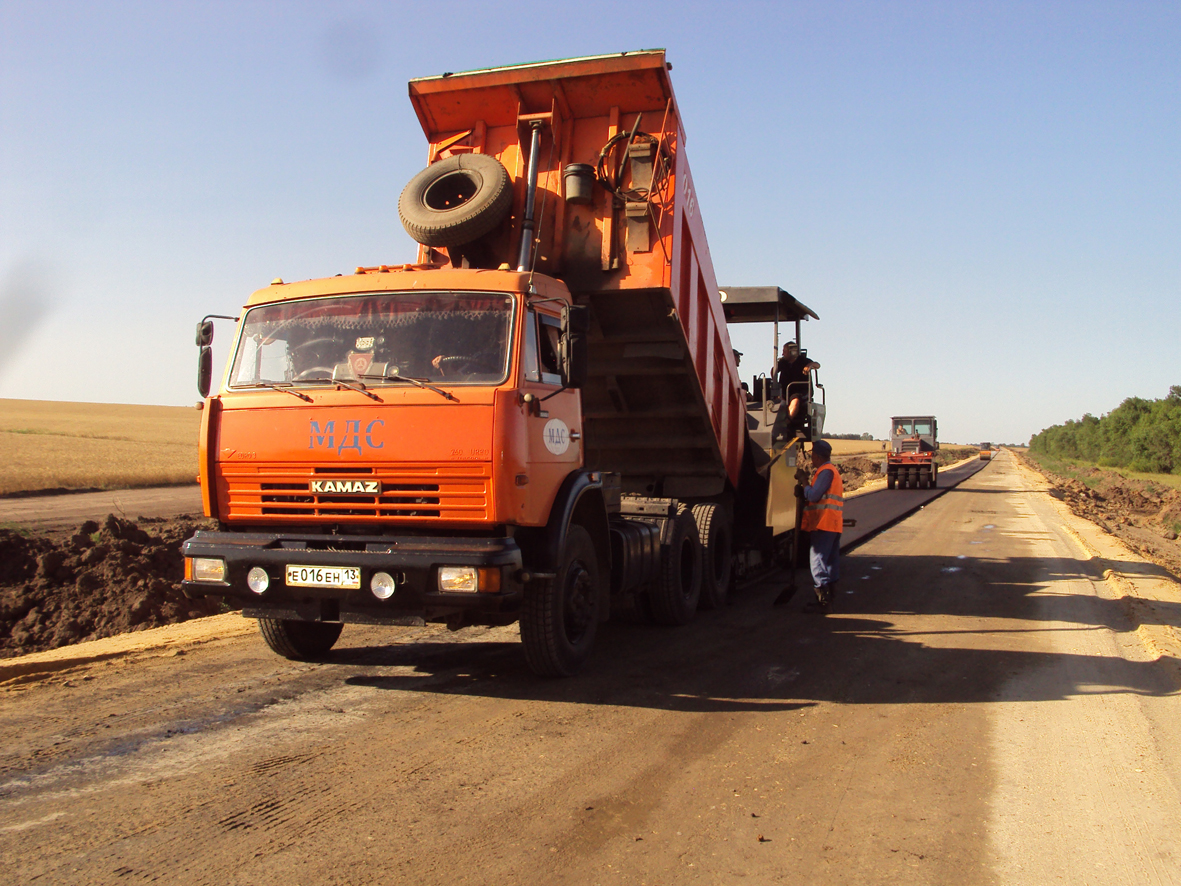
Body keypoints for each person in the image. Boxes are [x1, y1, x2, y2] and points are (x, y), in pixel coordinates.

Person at [798, 438, 843, 612]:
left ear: (817, 456)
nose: (811, 459)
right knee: (830, 561)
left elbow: (815, 495)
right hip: (832, 523)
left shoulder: (825, 472)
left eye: (812, 456)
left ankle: (823, 601)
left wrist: (804, 483)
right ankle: (830, 596)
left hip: (824, 523)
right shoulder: (831, 471)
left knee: (817, 560)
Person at [771, 341, 820, 442]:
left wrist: (809, 366)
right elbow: (773, 371)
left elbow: (817, 365)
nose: (782, 354)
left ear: (792, 352)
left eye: (785, 351)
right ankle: (774, 422)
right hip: (784, 391)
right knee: (776, 400)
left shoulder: (803, 361)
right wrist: (774, 370)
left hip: (800, 391)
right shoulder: (782, 362)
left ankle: (786, 423)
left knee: (795, 400)